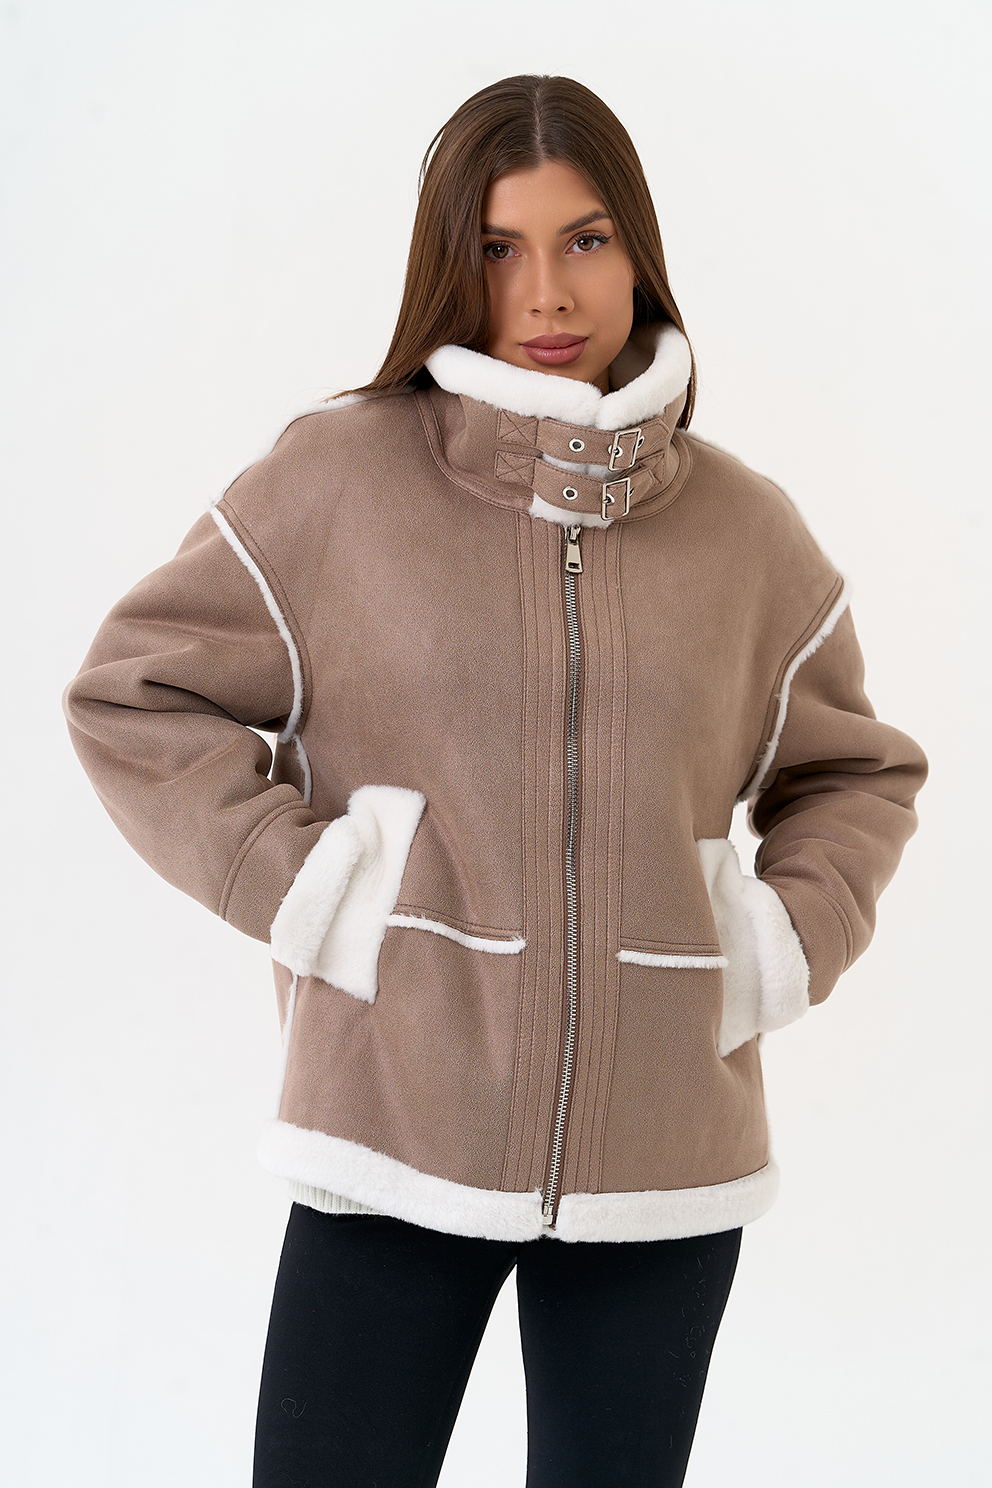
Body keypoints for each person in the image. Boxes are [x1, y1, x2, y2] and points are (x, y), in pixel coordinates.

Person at [64, 74, 927, 1488]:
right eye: (498, 247)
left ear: (639, 251)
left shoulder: (750, 534)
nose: (547, 291)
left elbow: (856, 772)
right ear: (446, 268)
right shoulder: (337, 483)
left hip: (666, 1159)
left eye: (585, 240)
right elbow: (132, 695)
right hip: (393, 1122)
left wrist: (772, 941)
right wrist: (321, 892)